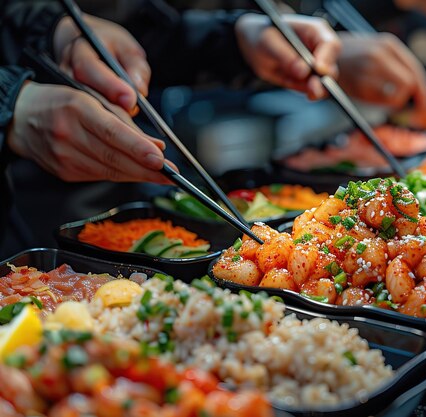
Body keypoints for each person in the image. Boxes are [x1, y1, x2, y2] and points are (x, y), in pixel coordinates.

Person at [0, 0, 341, 257]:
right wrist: (11, 104)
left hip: (132, 189)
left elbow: (149, 24)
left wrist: (233, 39)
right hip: (30, 209)